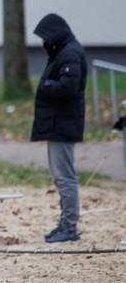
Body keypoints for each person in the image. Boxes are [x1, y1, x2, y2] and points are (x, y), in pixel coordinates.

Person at [31, 13, 88, 243]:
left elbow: (68, 88)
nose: (43, 43)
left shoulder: (70, 54)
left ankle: (69, 226)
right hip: (58, 124)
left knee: (65, 177)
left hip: (63, 125)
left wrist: (45, 85)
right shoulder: (64, 52)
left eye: (45, 37)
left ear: (54, 35)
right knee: (60, 176)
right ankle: (64, 224)